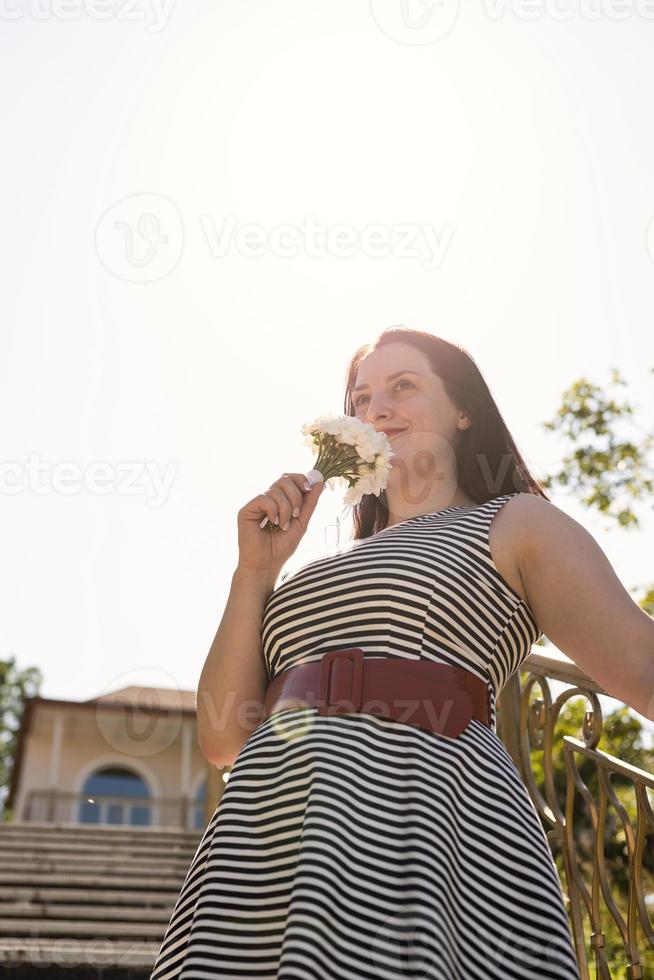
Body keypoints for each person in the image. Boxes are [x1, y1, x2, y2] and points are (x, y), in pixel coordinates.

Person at [150, 322, 654, 978]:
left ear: (465, 411)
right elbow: (223, 738)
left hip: (432, 816)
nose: (375, 409)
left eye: (402, 386)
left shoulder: (516, 523)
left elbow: (643, 667)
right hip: (272, 828)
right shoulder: (310, 568)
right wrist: (255, 573)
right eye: (359, 399)